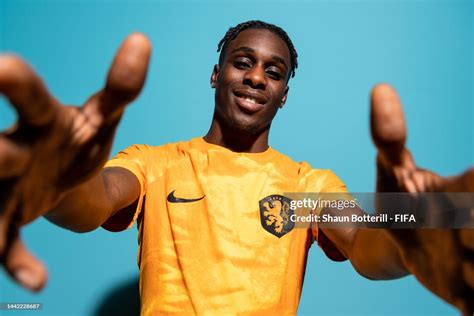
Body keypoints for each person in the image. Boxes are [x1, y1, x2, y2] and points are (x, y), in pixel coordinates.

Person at [0, 20, 472, 315]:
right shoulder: (155, 163)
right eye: (242, 62)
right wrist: (59, 181)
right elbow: (91, 202)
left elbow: (368, 246)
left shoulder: (309, 185)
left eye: (273, 71)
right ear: (215, 73)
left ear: (284, 93)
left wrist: (417, 231)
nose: (255, 77)